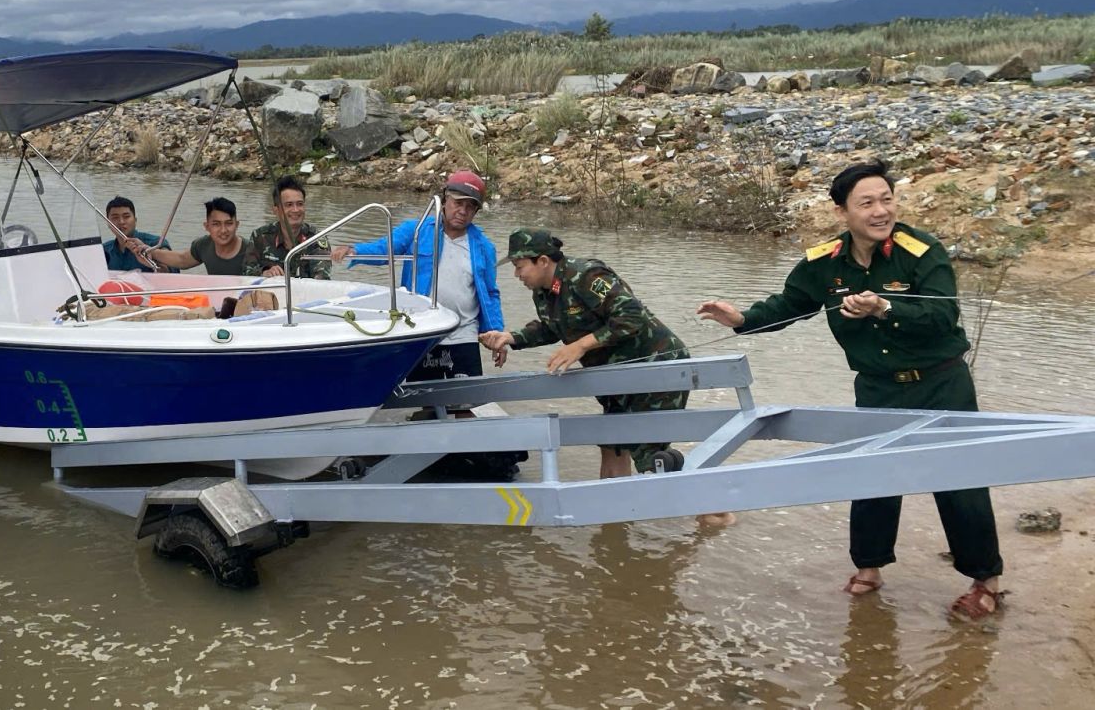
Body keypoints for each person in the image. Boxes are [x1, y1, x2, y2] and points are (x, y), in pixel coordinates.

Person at [695, 160, 1003, 618]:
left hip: (942, 384)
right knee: (871, 475)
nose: (881, 211)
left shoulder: (922, 252)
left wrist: (885, 308)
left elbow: (943, 316)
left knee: (959, 480)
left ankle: (986, 582)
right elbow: (789, 305)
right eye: (867, 203)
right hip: (877, 388)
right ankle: (870, 568)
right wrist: (742, 319)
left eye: (887, 200)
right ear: (842, 211)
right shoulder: (825, 262)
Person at [478, 229, 703, 482]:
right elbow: (553, 327)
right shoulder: (543, 291)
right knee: (611, 443)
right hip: (616, 379)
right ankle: (613, 506)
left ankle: (701, 498)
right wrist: (510, 337)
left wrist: (580, 346)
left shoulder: (587, 276)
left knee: (649, 456)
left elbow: (631, 316)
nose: (517, 275)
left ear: (542, 261)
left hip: (655, 368)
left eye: (519, 267)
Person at [330, 170, 503, 382]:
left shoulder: (484, 247)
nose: (462, 211)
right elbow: (385, 249)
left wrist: (497, 334)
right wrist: (355, 250)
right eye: (458, 203)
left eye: (470, 207)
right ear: (445, 200)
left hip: (463, 333)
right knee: (422, 394)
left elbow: (490, 294)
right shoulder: (417, 230)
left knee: (466, 396)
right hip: (424, 329)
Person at [125, 197, 248, 275]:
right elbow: (182, 260)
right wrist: (148, 250)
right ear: (207, 226)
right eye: (216, 224)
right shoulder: (203, 245)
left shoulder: (252, 249)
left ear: (237, 225)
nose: (223, 230)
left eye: (229, 223)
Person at [243, 175, 331, 279]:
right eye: (289, 205)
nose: (296, 210)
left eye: (300, 204)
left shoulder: (316, 238)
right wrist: (264, 273)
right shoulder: (260, 236)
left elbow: (322, 278)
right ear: (276, 210)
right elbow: (246, 273)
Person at [101, 196, 175, 273]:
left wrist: (151, 262)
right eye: (115, 218)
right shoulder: (103, 250)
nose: (121, 222)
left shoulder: (157, 243)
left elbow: (170, 274)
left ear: (135, 220)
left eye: (126, 217)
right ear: (108, 223)